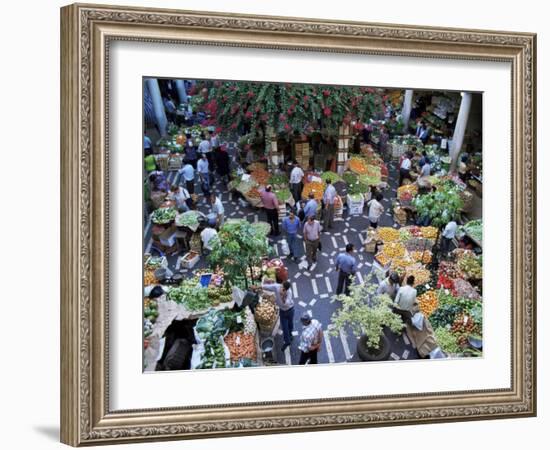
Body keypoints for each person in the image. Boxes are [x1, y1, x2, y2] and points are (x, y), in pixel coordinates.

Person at [262, 279, 294, 352]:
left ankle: (290, 334)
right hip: (282, 311)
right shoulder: (276, 287)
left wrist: (283, 296)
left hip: (290, 310)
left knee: (290, 324)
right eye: (281, 287)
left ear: (286, 289)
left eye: (283, 289)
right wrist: (259, 287)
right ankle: (287, 341)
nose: (281, 289)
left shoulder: (289, 292)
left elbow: (286, 304)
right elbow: (267, 287)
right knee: (284, 327)